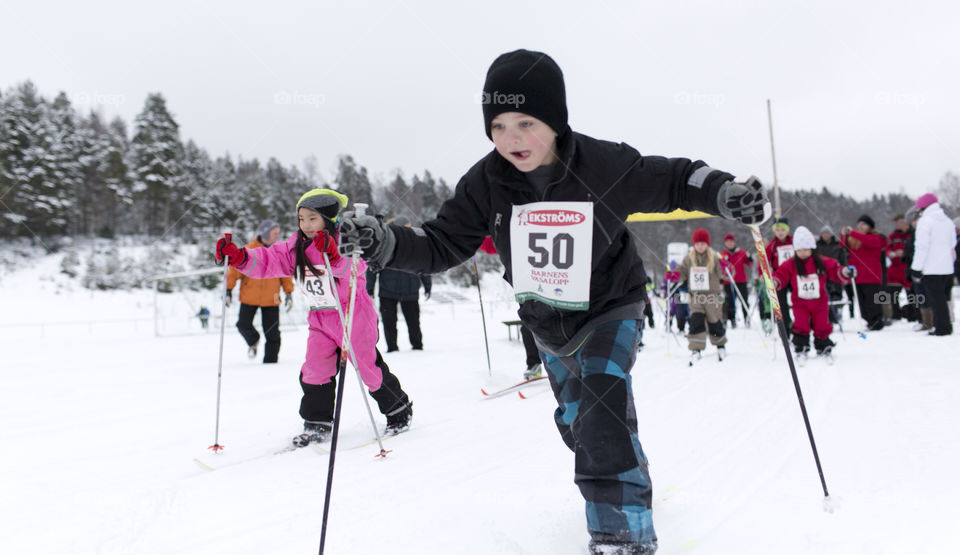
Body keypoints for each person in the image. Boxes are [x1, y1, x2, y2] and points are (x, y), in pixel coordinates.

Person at [335, 49, 771, 555]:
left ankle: (620, 536)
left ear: (556, 121)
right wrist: (383, 242)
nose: (511, 139)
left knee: (603, 406)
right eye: (498, 126)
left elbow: (675, 177)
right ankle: (617, 462)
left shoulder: (605, 164)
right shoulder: (485, 182)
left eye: (526, 122)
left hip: (611, 305)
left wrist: (724, 193)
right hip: (546, 321)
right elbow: (441, 243)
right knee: (580, 420)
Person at [215, 189, 414, 445]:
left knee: (368, 368)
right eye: (301, 219)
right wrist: (240, 256)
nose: (306, 225)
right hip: (320, 317)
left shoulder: (348, 238)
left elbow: (358, 264)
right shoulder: (296, 246)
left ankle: (398, 410)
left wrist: (333, 253)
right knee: (315, 369)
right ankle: (317, 422)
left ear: (329, 219)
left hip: (352, 314)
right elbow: (269, 259)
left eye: (312, 218)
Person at [772, 226, 854, 357]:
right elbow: (781, 274)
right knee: (801, 324)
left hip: (819, 301)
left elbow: (834, 269)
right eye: (799, 250)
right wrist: (775, 281)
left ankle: (823, 344)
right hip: (800, 302)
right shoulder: (791, 263)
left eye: (806, 249)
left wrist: (844, 271)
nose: (803, 253)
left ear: (812, 249)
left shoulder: (820, 261)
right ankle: (801, 345)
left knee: (822, 324)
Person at [226, 220, 295, 363]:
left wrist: (288, 292)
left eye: (278, 233)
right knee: (243, 324)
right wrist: (228, 290)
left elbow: (286, 273)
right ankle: (254, 339)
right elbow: (234, 272)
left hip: (272, 298)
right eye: (274, 233)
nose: (277, 235)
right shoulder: (249, 249)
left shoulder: (279, 251)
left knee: (272, 333)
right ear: (265, 233)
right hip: (249, 296)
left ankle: (270, 362)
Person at [366, 216, 432, 352]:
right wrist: (370, 288)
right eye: (406, 227)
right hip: (387, 291)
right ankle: (392, 347)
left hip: (410, 291)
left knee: (413, 321)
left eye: (409, 226)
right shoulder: (385, 243)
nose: (409, 229)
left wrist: (427, 285)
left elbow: (424, 265)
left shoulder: (417, 243)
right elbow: (373, 267)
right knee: (389, 322)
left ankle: (417, 346)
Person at [668, 229, 731, 362]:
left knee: (715, 320)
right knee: (696, 320)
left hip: (712, 296)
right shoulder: (689, 258)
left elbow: (724, 274)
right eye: (697, 244)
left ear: (707, 244)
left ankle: (720, 344)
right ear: (694, 244)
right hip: (695, 296)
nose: (700, 246)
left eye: (703, 244)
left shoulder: (714, 257)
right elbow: (682, 271)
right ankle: (696, 348)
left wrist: (728, 268)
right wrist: (675, 275)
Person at [910, 193, 957, 336]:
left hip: (931, 268)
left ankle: (941, 328)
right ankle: (945, 325)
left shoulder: (925, 222)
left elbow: (921, 247)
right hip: (947, 268)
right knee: (944, 298)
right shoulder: (948, 221)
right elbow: (952, 244)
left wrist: (916, 268)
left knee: (936, 301)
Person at [840, 215, 888, 331]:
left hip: (871, 276)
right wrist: (843, 235)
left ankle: (877, 322)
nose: (860, 227)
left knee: (872, 303)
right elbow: (843, 246)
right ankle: (869, 321)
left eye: (863, 224)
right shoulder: (855, 239)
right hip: (858, 276)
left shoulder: (876, 238)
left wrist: (853, 233)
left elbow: (869, 242)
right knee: (862, 303)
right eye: (859, 224)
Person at [765, 217, 794, 334]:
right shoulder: (771, 246)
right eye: (777, 230)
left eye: (783, 230)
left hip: (794, 275)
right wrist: (765, 272)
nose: (780, 232)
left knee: (799, 301)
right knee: (781, 305)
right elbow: (764, 261)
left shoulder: (794, 241)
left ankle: (800, 326)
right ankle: (785, 329)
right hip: (779, 277)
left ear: (787, 230)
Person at [719, 233, 753, 328]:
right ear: (725, 243)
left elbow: (750, 263)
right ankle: (732, 319)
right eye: (727, 242)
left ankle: (747, 318)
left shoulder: (741, 252)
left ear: (734, 242)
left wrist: (749, 258)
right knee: (729, 301)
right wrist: (721, 280)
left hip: (741, 280)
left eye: (731, 241)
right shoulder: (723, 254)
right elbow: (720, 268)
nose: (730, 244)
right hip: (728, 281)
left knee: (744, 300)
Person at [816, 225, 848, 323]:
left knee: (836, 295)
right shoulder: (817, 245)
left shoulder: (837, 245)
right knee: (824, 295)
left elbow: (843, 259)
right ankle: (826, 317)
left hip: (835, 271)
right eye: (824, 233)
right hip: (821, 273)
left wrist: (844, 272)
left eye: (827, 233)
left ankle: (836, 315)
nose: (825, 235)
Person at [885, 215, 911, 321]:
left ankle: (912, 313)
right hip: (895, 268)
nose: (897, 225)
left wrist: (904, 253)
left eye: (899, 222)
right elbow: (887, 248)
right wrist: (890, 253)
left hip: (908, 267)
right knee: (892, 293)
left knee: (912, 294)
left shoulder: (911, 234)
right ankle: (896, 314)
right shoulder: (893, 235)